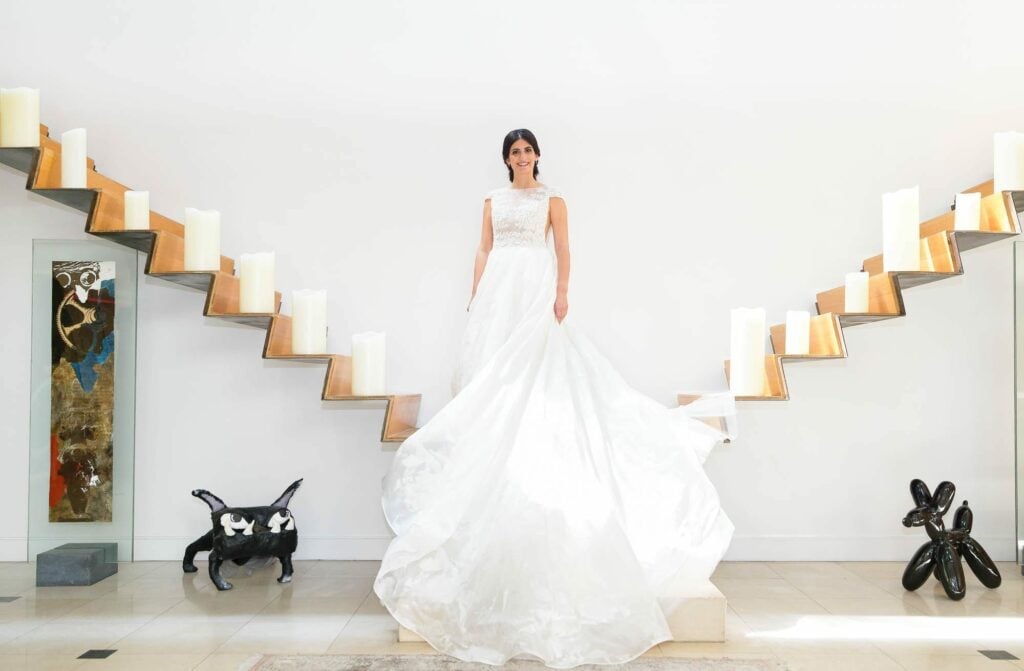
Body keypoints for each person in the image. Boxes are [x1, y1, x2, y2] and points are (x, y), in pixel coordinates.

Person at [373, 128, 736, 668]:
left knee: (540, 365)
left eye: (526, 150)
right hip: (500, 286)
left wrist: (562, 291)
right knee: (491, 373)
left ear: (537, 155)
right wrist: (478, 293)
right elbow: (484, 247)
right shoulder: (493, 201)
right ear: (506, 160)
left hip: (535, 283)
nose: (521, 157)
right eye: (513, 152)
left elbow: (563, 246)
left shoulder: (553, 199)